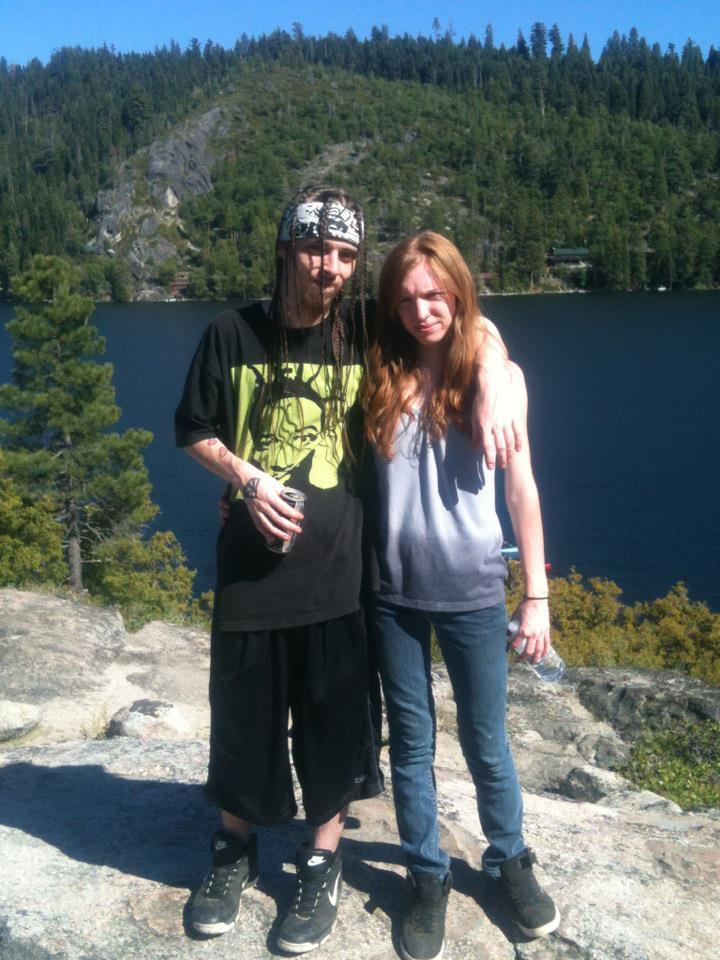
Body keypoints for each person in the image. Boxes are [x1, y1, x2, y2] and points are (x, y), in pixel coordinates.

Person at [175, 187, 520, 954]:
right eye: (313, 249)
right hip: (251, 576)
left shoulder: (365, 329)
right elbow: (192, 428)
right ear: (285, 249)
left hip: (342, 579)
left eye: (344, 255)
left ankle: (322, 860)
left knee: (333, 730)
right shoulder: (232, 332)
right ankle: (234, 851)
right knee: (243, 721)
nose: (327, 267)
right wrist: (245, 478)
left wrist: (496, 371)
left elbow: (460, 317)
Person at [362, 232, 561, 960]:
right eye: (407, 299)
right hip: (393, 594)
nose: (422, 311)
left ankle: (508, 858)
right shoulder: (378, 372)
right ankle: (426, 874)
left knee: (486, 741)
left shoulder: (493, 377)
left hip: (474, 591)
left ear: (458, 291)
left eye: (435, 295)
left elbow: (521, 489)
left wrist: (536, 596)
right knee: (412, 744)